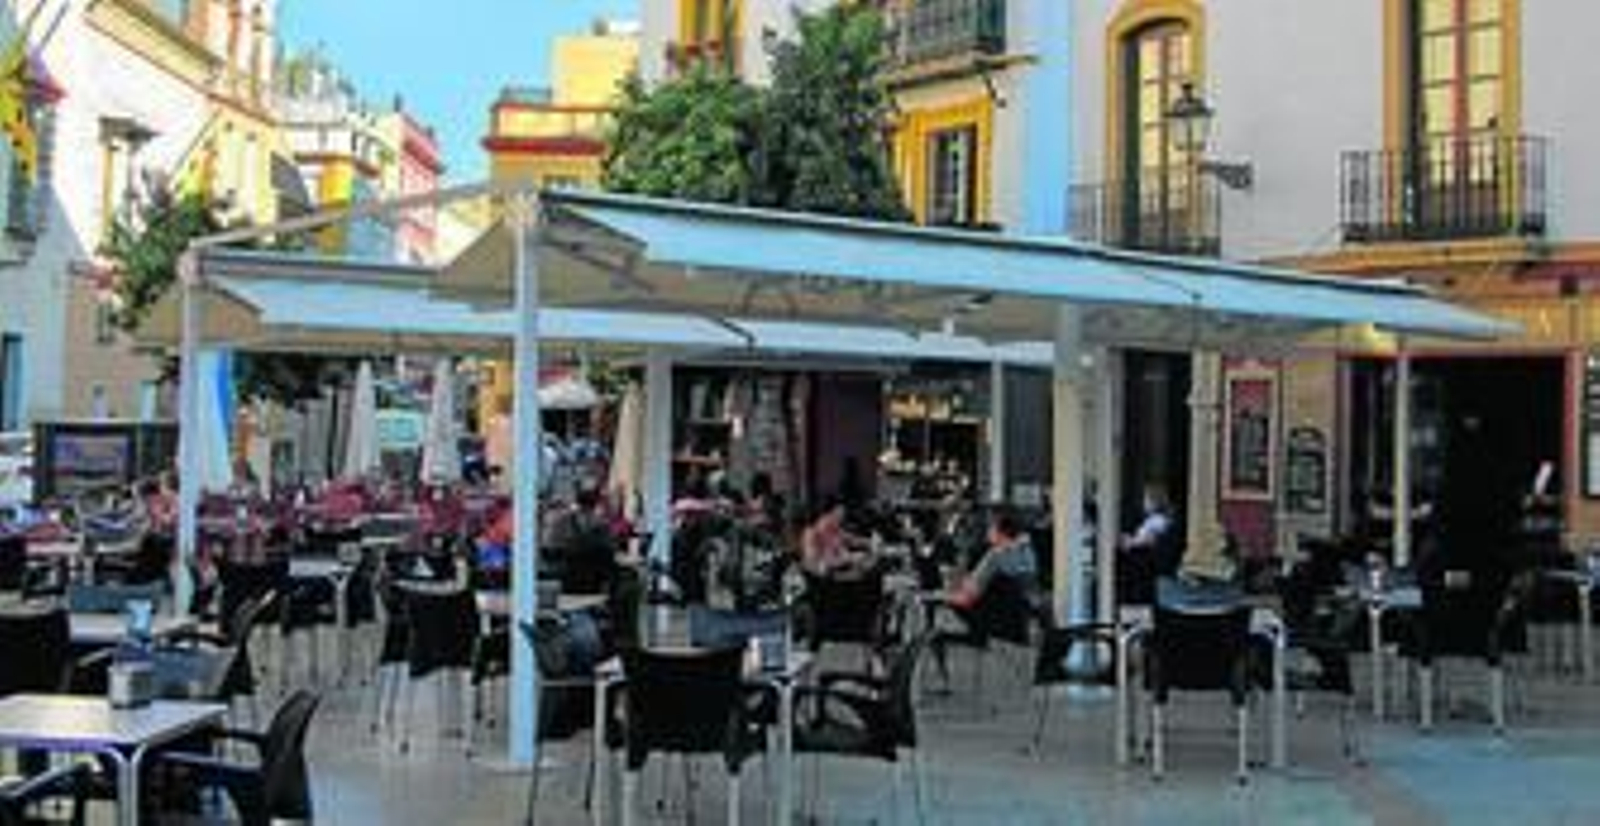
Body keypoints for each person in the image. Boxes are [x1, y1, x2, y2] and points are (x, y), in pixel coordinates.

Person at [947, 505, 1038, 610]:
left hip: (992, 612)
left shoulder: (995, 556)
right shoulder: (1028, 553)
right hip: (1021, 612)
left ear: (1001, 532)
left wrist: (949, 593)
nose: (988, 532)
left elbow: (969, 595)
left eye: (991, 528)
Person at [800, 497, 873, 579]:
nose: (841, 517)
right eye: (838, 513)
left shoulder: (833, 527)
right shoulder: (816, 531)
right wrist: (849, 558)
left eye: (842, 513)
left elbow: (850, 539)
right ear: (829, 513)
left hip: (835, 568)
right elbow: (819, 560)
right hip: (821, 575)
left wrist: (868, 542)